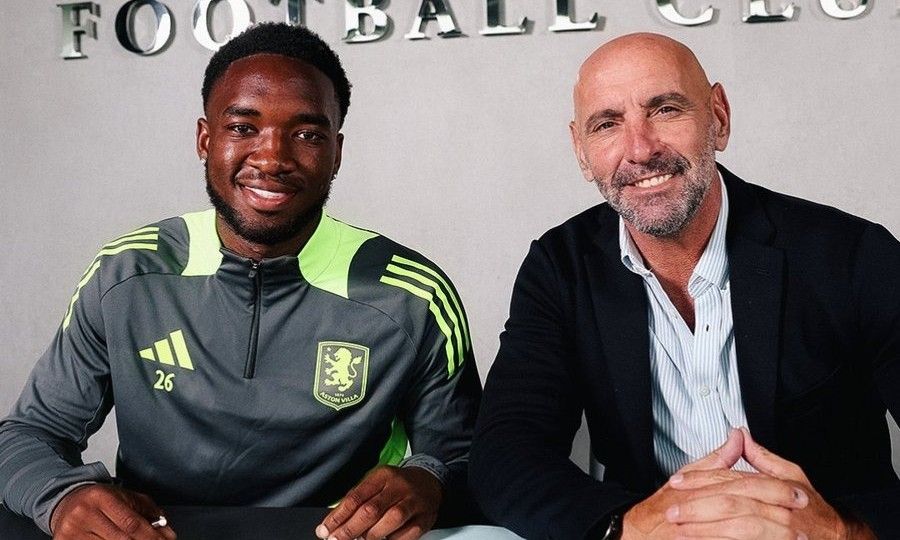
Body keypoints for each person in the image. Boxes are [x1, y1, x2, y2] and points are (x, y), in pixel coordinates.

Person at [0, 22, 481, 540]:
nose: (272, 158)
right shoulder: (127, 274)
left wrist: (428, 480)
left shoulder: (411, 295)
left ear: (336, 153)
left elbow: (470, 459)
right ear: (205, 140)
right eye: (243, 128)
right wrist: (62, 497)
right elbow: (28, 435)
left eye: (307, 135)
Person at [469, 32, 899, 539]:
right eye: (607, 124)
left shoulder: (853, 256)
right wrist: (626, 527)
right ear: (582, 152)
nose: (640, 149)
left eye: (666, 110)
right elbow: (505, 453)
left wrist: (845, 529)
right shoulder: (560, 268)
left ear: (718, 117)